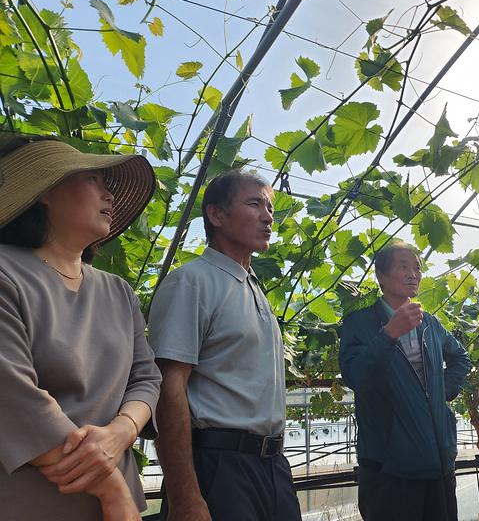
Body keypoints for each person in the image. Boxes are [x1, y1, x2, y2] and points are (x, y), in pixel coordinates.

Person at [0, 136, 161, 521]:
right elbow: (13, 398)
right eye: (94, 179)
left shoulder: (118, 291)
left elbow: (146, 377)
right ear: (44, 190)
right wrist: (112, 487)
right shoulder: (6, 274)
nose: (110, 195)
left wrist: (123, 431)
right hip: (33, 504)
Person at [148, 170, 301, 521]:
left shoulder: (253, 286)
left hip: (273, 465)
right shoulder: (191, 282)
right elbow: (169, 389)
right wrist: (185, 496)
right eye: (254, 204)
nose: (267, 216)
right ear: (215, 215)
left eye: (270, 208)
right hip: (219, 467)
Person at [338, 240, 471, 521]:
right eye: (404, 266)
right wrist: (388, 335)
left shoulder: (430, 323)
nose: (414, 274)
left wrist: (440, 392)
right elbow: (357, 376)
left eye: (418, 268)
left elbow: (461, 359)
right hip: (389, 469)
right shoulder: (359, 324)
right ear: (382, 276)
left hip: (439, 464)